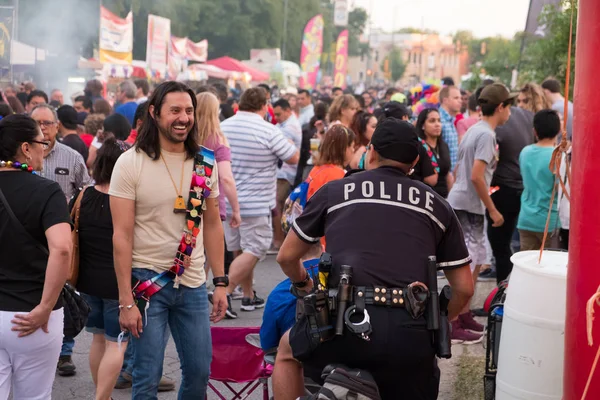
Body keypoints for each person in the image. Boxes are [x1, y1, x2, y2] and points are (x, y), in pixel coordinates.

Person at [272, 118, 474, 400]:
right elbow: (464, 288)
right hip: (412, 335)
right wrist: (438, 319)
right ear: (414, 162)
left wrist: (305, 285)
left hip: (341, 329)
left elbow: (286, 256)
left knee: (285, 352)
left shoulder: (335, 191)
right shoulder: (438, 206)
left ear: (372, 152)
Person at [109, 81, 228, 398]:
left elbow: (213, 225)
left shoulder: (205, 161)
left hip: (192, 283)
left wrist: (221, 281)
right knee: (146, 377)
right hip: (147, 283)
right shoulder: (130, 162)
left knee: (199, 372)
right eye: (174, 110)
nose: (183, 118)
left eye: (189, 111)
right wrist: (126, 301)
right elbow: (120, 236)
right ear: (154, 113)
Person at [0, 114, 72, 399]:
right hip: (33, 315)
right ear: (26, 148)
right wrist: (46, 306)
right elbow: (62, 247)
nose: (45, 148)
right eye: (42, 142)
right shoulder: (47, 191)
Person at [221, 88, 299, 317]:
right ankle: (224, 290)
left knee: (239, 249)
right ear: (265, 106)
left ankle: (247, 295)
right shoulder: (268, 130)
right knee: (256, 248)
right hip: (255, 203)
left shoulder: (224, 127)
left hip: (228, 200)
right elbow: (293, 157)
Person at [447, 83, 515, 342]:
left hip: (462, 201)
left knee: (472, 263)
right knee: (469, 266)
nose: (511, 111)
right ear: (500, 107)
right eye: (509, 105)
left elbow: (460, 169)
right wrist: (493, 209)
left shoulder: (475, 128)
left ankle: (462, 315)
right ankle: (453, 321)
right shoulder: (486, 135)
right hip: (469, 205)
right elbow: (477, 176)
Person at [75, 137, 131, 400]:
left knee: (98, 340)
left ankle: (103, 394)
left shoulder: (83, 195)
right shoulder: (126, 200)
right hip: (117, 283)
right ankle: (101, 398)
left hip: (86, 281)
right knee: (116, 343)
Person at [195, 91, 241, 259]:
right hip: (211, 203)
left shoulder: (184, 138)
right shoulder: (218, 140)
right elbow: (226, 178)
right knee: (212, 250)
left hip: (186, 200)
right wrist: (235, 209)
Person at [517, 110, 561, 250]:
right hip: (549, 221)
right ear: (559, 131)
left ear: (535, 131)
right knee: (548, 267)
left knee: (527, 266)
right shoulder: (558, 157)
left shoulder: (525, 152)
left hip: (526, 218)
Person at [272, 98, 302, 252]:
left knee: (276, 204)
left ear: (288, 111)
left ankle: (279, 240)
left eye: (278, 114)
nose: (276, 118)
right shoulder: (285, 124)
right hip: (283, 172)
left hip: (285, 173)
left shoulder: (289, 127)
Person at [416, 108, 453, 197]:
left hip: (444, 197)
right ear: (423, 126)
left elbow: (447, 174)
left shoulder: (443, 146)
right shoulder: (419, 146)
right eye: (432, 121)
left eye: (439, 121)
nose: (437, 124)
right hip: (425, 197)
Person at [439, 86, 462, 171]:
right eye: (456, 98)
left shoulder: (451, 120)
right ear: (445, 100)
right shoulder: (439, 120)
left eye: (460, 98)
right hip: (443, 177)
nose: (460, 101)